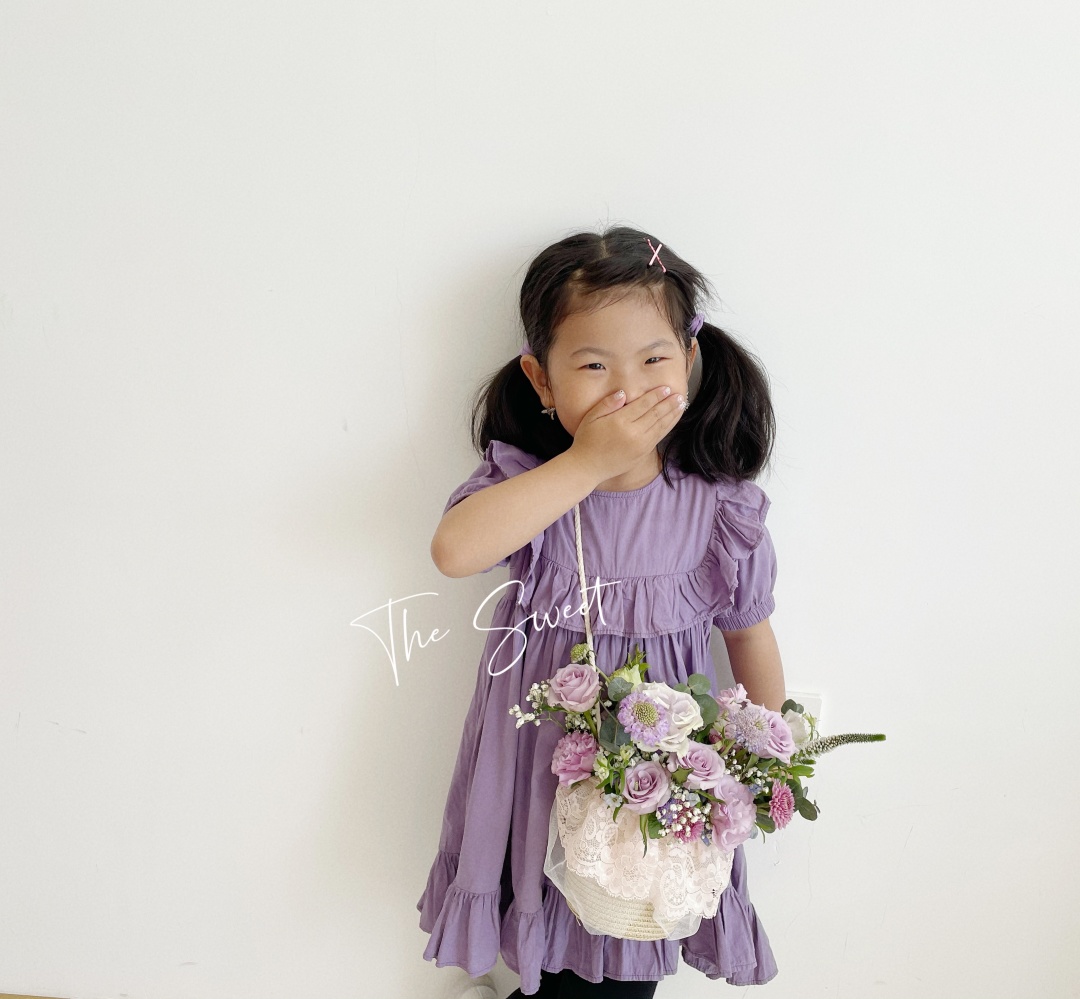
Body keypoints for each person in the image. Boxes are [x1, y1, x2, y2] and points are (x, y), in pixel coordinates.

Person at [418, 226, 785, 998]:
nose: (625, 390)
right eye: (593, 366)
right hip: (533, 783)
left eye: (653, 360)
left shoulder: (716, 507)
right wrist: (587, 461)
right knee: (545, 952)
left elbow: (750, 632)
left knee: (621, 960)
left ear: (689, 361)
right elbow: (454, 549)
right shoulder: (533, 486)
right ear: (542, 380)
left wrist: (761, 764)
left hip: (653, 795)